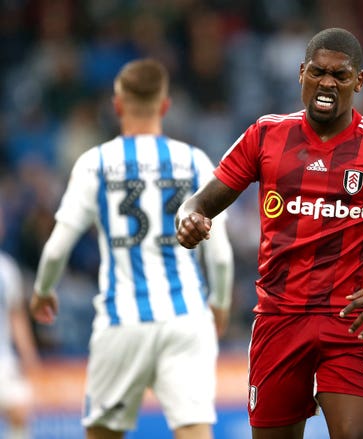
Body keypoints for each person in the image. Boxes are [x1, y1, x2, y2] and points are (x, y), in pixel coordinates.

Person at [175, 27, 363, 439]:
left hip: (351, 319)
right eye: (318, 72)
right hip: (279, 319)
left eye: (340, 75)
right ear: (301, 73)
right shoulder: (265, 135)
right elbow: (198, 203)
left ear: (359, 81)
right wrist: (189, 219)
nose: (327, 83)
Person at [29, 58, 234, 439]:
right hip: (186, 316)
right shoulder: (194, 161)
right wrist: (219, 304)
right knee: (194, 430)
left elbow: (57, 249)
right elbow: (219, 254)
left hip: (122, 320)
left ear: (118, 105)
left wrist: (42, 292)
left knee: (104, 432)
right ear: (166, 105)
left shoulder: (95, 163)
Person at [0, 244, 40, 439]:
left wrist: (28, 355)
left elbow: (16, 315)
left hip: (3, 360)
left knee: (20, 408)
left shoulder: (6, 268)